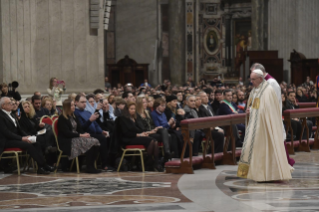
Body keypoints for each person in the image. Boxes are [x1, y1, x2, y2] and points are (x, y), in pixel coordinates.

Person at [237, 69, 293, 182]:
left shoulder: (268, 90)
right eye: (250, 79)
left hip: (265, 128)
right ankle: (257, 174)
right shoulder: (256, 90)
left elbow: (268, 110)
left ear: (260, 79)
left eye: (253, 79)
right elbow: (255, 106)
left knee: (266, 150)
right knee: (254, 149)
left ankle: (269, 175)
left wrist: (251, 111)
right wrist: (249, 110)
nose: (251, 81)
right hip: (256, 126)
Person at [251, 63, 295, 166]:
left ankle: (281, 165)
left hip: (271, 117)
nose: (252, 79)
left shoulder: (271, 82)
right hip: (263, 117)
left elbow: (271, 102)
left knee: (276, 142)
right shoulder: (261, 82)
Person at [0, 97, 55, 174]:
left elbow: (19, 130)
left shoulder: (12, 115)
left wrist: (27, 136)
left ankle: (40, 168)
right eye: (9, 103)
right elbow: (7, 133)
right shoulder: (1, 116)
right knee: (28, 145)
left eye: (12, 103)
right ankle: (44, 165)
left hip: (16, 139)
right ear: (3, 106)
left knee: (36, 143)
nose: (12, 104)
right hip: (6, 141)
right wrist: (22, 138)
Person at [57, 99, 101, 173]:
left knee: (95, 141)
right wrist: (81, 135)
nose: (74, 106)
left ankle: (91, 166)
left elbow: (80, 129)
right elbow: (67, 133)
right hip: (67, 141)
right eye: (71, 105)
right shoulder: (62, 118)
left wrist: (85, 134)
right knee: (91, 142)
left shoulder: (74, 116)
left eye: (74, 105)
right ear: (67, 107)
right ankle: (89, 167)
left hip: (76, 137)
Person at [117, 102, 163, 171]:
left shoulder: (135, 117)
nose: (133, 110)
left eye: (134, 109)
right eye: (131, 109)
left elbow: (140, 129)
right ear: (127, 110)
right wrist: (139, 135)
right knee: (151, 140)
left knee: (154, 141)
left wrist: (145, 133)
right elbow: (126, 133)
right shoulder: (123, 118)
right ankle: (150, 163)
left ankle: (154, 163)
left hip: (136, 136)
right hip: (128, 139)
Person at [74, 94, 112, 171]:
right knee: (101, 139)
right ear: (76, 102)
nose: (84, 104)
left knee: (108, 137)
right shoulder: (76, 113)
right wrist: (90, 120)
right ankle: (104, 164)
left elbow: (95, 124)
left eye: (85, 102)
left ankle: (104, 163)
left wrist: (101, 131)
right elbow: (81, 128)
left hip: (93, 133)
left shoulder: (87, 112)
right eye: (82, 102)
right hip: (84, 135)